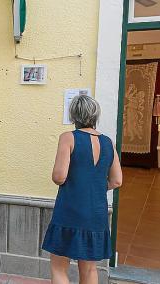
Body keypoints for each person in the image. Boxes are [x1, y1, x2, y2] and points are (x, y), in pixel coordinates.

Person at [42, 95, 122, 284]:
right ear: (95, 115)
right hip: (96, 213)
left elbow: (59, 177)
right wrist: (95, 187)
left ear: (74, 115)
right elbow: (117, 180)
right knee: (89, 269)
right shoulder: (108, 142)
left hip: (70, 211)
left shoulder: (68, 138)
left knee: (58, 266)